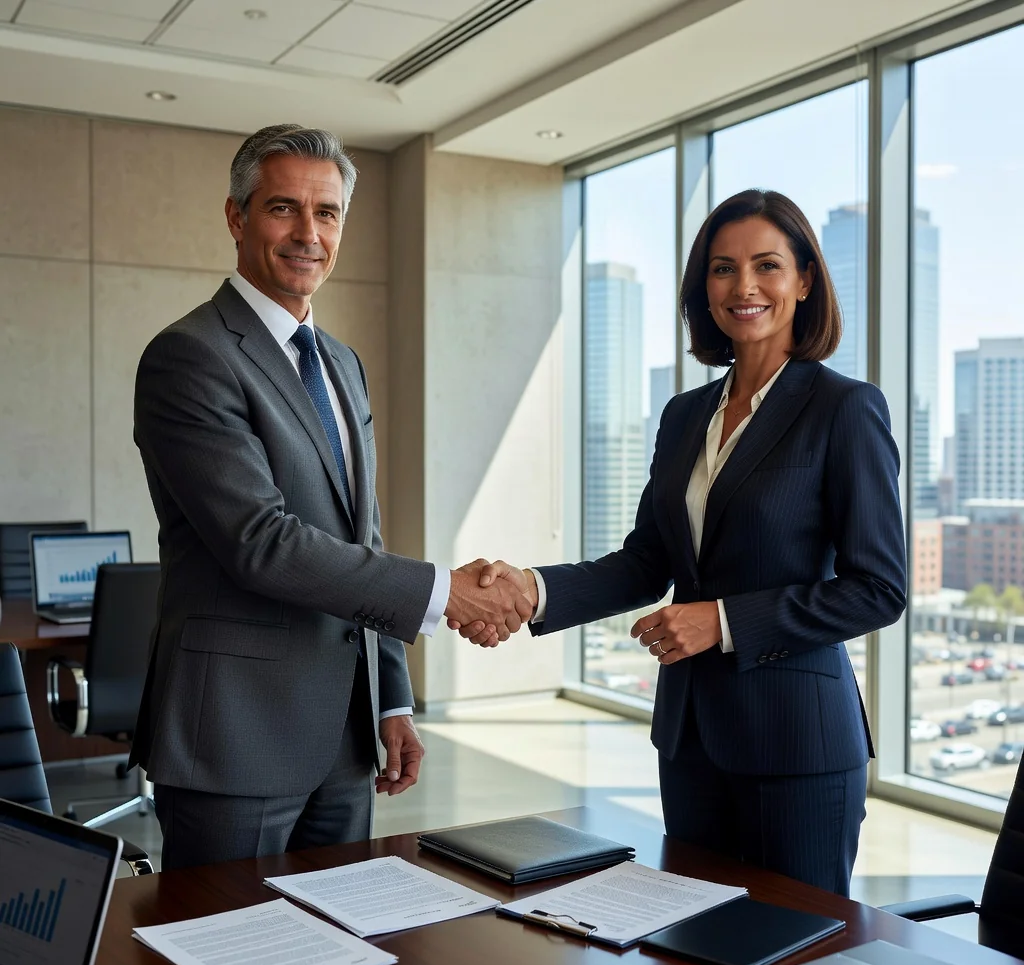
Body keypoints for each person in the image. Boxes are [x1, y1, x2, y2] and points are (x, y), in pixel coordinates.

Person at [453, 189, 907, 896]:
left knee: (797, 956)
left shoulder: (844, 409)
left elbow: (878, 589)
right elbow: (646, 562)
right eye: (723, 269)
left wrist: (722, 621)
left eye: (767, 266)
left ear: (806, 280)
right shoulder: (685, 413)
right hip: (691, 737)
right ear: (705, 288)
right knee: (692, 955)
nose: (744, 287)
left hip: (797, 746)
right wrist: (528, 588)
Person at [131, 124, 531, 870]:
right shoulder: (189, 356)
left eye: (328, 213)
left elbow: (361, 540)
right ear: (236, 217)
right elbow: (262, 542)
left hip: (345, 739)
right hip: (235, 736)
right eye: (284, 209)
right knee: (229, 961)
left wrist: (391, 699)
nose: (308, 233)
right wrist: (447, 594)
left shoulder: (340, 364)